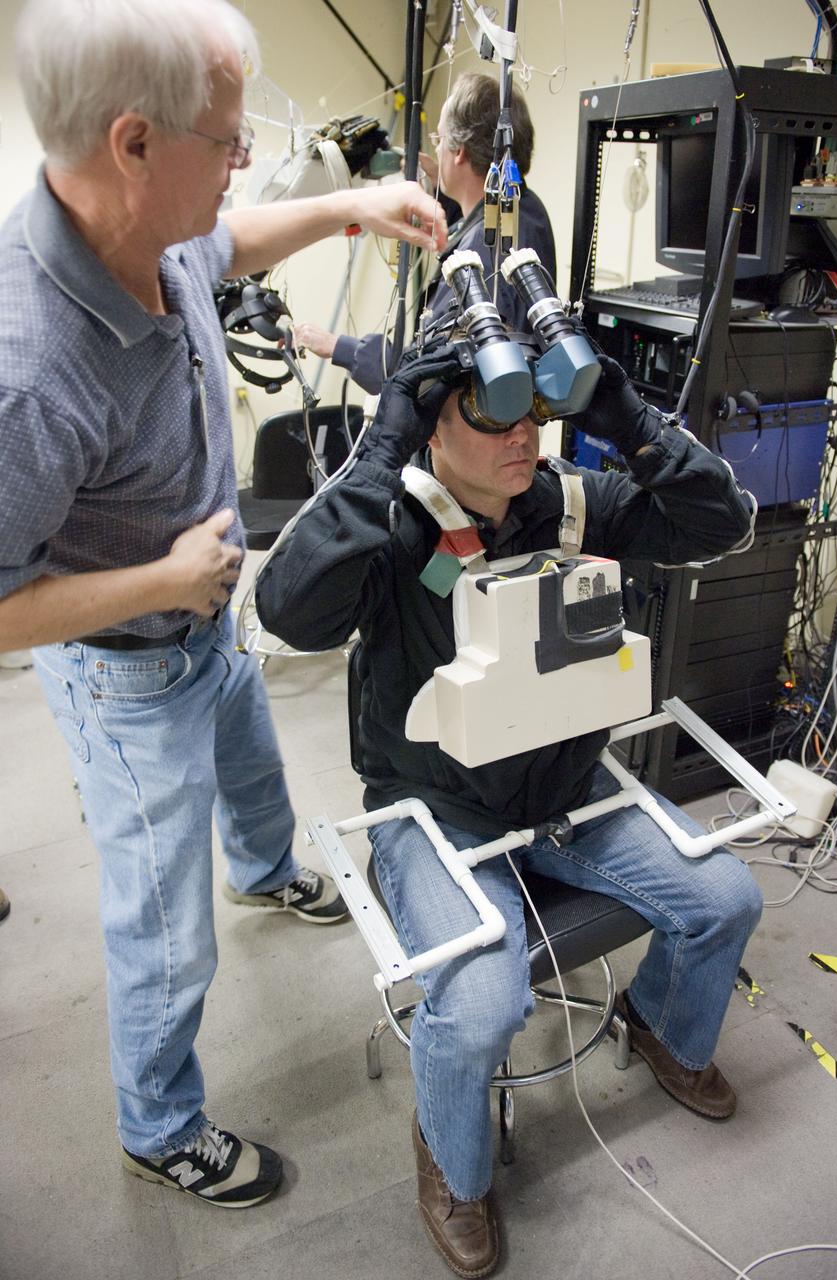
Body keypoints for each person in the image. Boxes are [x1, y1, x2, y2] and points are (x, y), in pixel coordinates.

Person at [0, 0, 447, 1210]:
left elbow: (228, 243)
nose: (241, 164)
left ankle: (263, 868)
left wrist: (353, 205)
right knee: (163, 926)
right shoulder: (30, 374)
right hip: (127, 664)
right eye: (230, 141)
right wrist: (165, 581)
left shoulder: (143, 225)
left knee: (257, 776)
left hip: (207, 625)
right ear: (134, 142)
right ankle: (158, 1123)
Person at [255, 341, 764, 1276]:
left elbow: (721, 524)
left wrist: (630, 422)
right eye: (491, 413)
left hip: (571, 793)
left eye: (534, 407)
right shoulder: (396, 525)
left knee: (726, 899)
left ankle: (660, 1025)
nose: (523, 430)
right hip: (436, 811)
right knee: (485, 1001)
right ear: (432, 423)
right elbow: (287, 615)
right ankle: (453, 1165)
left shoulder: (575, 504)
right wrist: (378, 454)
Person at [293, 72, 557, 394]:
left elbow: (422, 379)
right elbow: (476, 219)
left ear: (459, 151)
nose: (438, 148)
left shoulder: (480, 261)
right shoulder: (523, 210)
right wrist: (443, 190)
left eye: (440, 140)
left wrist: (338, 347)